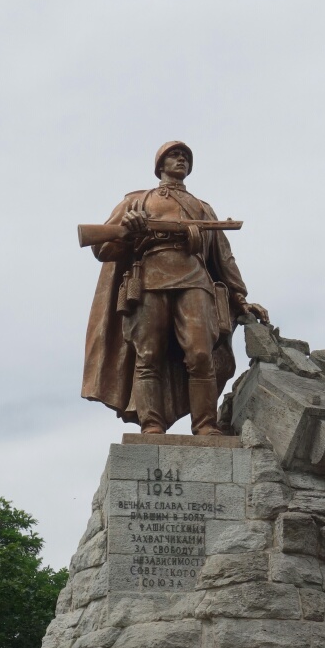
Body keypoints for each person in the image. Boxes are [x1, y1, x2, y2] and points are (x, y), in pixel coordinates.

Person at [81, 141, 269, 434]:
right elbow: (102, 249)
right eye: (174, 155)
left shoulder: (203, 208)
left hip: (194, 280)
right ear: (160, 165)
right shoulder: (138, 200)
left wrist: (240, 297)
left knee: (200, 355)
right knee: (148, 356)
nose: (181, 159)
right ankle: (151, 425)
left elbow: (223, 256)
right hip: (149, 280)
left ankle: (205, 424)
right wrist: (130, 231)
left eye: (185, 157)